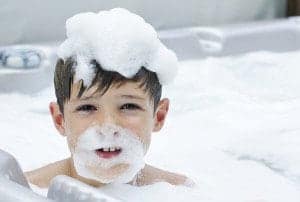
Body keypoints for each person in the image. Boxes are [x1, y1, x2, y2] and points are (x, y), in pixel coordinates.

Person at [25, 8, 192, 188]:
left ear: (158, 117)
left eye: (128, 106)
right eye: (87, 108)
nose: (108, 126)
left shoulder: (179, 192)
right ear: (60, 120)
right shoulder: (27, 191)